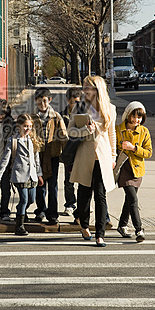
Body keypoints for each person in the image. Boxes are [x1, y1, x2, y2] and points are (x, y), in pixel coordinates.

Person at [68, 75, 116, 247]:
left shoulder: (109, 109)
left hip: (102, 157)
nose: (84, 90)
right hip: (84, 155)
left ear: (97, 89)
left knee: (101, 196)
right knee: (84, 194)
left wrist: (113, 156)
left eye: (87, 87)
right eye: (84, 87)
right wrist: (85, 131)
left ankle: (100, 235)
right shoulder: (79, 107)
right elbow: (70, 131)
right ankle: (84, 225)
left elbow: (112, 135)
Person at [0, 114, 44, 236]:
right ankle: (19, 225)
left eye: (30, 126)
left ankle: (20, 212)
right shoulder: (13, 141)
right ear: (19, 126)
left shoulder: (32, 140)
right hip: (19, 175)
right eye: (25, 126)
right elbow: (5, 160)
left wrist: (39, 174)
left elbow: (36, 159)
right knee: (24, 199)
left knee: (31, 199)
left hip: (32, 175)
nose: (28, 129)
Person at [115, 101, 152, 243]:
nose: (137, 120)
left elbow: (148, 153)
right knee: (133, 199)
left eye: (140, 117)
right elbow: (113, 148)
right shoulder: (118, 129)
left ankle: (122, 225)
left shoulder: (144, 131)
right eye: (135, 116)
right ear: (128, 115)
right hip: (124, 168)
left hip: (137, 170)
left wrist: (134, 148)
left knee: (129, 200)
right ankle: (139, 229)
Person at [32, 87, 68, 224]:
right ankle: (41, 210)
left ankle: (52, 214)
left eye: (45, 101)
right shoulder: (32, 117)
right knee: (39, 185)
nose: (43, 105)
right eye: (40, 102)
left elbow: (63, 136)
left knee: (52, 186)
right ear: (35, 101)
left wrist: (67, 155)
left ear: (50, 100)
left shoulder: (56, 117)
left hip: (52, 155)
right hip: (38, 156)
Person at [60, 86, 84, 221]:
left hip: (80, 152)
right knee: (68, 181)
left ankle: (82, 203)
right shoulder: (62, 115)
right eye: (72, 102)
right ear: (67, 101)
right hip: (68, 152)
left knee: (82, 180)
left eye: (77, 102)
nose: (74, 105)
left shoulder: (84, 115)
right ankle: (70, 203)